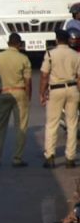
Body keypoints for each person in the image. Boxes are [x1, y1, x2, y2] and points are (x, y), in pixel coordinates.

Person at [0, 32, 32, 167]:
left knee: (0, 126)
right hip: (20, 92)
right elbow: (28, 80)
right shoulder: (23, 58)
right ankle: (17, 158)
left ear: (8, 43)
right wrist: (28, 96)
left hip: (4, 93)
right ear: (19, 44)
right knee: (21, 126)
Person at [41, 28, 80, 168]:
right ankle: (70, 158)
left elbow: (44, 75)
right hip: (72, 88)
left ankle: (50, 156)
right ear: (68, 40)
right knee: (72, 123)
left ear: (57, 40)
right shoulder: (75, 54)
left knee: (52, 123)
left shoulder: (50, 54)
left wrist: (42, 92)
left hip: (55, 89)